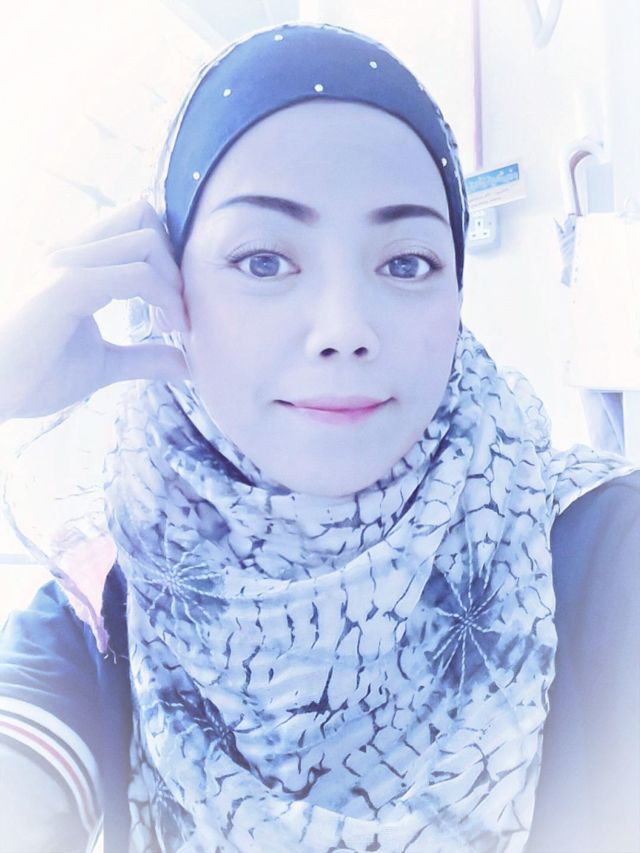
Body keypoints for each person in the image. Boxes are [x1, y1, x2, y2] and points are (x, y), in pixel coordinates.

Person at [0, 21, 638, 853]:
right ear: (168, 289)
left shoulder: (601, 549)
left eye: (405, 262)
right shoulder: (107, 610)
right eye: (264, 261)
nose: (344, 329)